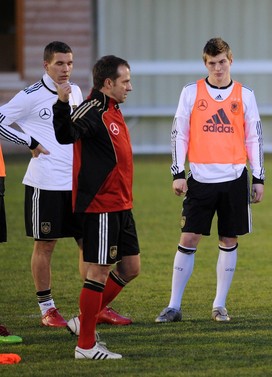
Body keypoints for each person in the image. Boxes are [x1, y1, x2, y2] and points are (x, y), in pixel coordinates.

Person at [0, 41, 131, 328]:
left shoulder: (76, 93)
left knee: (90, 246)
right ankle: (47, 308)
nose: (66, 69)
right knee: (45, 246)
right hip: (45, 183)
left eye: (69, 63)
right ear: (46, 65)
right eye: (60, 63)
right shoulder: (30, 95)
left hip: (78, 185)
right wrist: (29, 142)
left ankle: (95, 308)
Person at [155, 37, 264, 323]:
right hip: (200, 178)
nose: (218, 67)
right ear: (205, 63)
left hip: (235, 178)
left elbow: (254, 137)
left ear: (231, 61)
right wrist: (178, 173)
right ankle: (174, 306)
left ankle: (219, 305)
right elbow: (180, 133)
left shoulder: (246, 95)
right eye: (212, 63)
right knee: (189, 238)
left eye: (222, 62)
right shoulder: (191, 92)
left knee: (229, 239)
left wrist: (259, 177)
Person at [53, 55, 139, 360]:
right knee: (98, 272)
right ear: (108, 83)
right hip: (101, 205)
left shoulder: (113, 109)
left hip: (121, 204)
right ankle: (85, 345)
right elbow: (65, 134)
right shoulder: (92, 110)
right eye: (125, 81)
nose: (130, 86)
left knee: (131, 268)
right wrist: (62, 104)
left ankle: (83, 321)